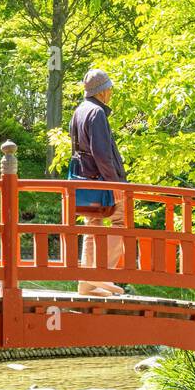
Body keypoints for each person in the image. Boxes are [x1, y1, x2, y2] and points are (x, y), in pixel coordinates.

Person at [69, 67, 129, 296]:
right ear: (102, 91)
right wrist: (115, 185)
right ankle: (103, 275)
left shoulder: (79, 111)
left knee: (92, 227)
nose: (111, 92)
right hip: (102, 182)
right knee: (120, 221)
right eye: (109, 88)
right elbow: (102, 154)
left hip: (85, 181)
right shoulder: (97, 113)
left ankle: (87, 283)